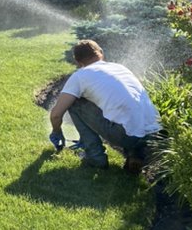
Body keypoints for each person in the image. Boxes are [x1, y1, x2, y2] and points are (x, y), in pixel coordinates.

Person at [49, 39, 161, 174]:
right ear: (101, 53)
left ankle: (95, 158)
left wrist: (56, 132)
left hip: (127, 136)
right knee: (126, 114)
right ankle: (136, 155)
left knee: (75, 103)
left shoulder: (80, 76)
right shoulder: (119, 67)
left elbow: (56, 114)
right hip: (155, 133)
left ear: (78, 62)